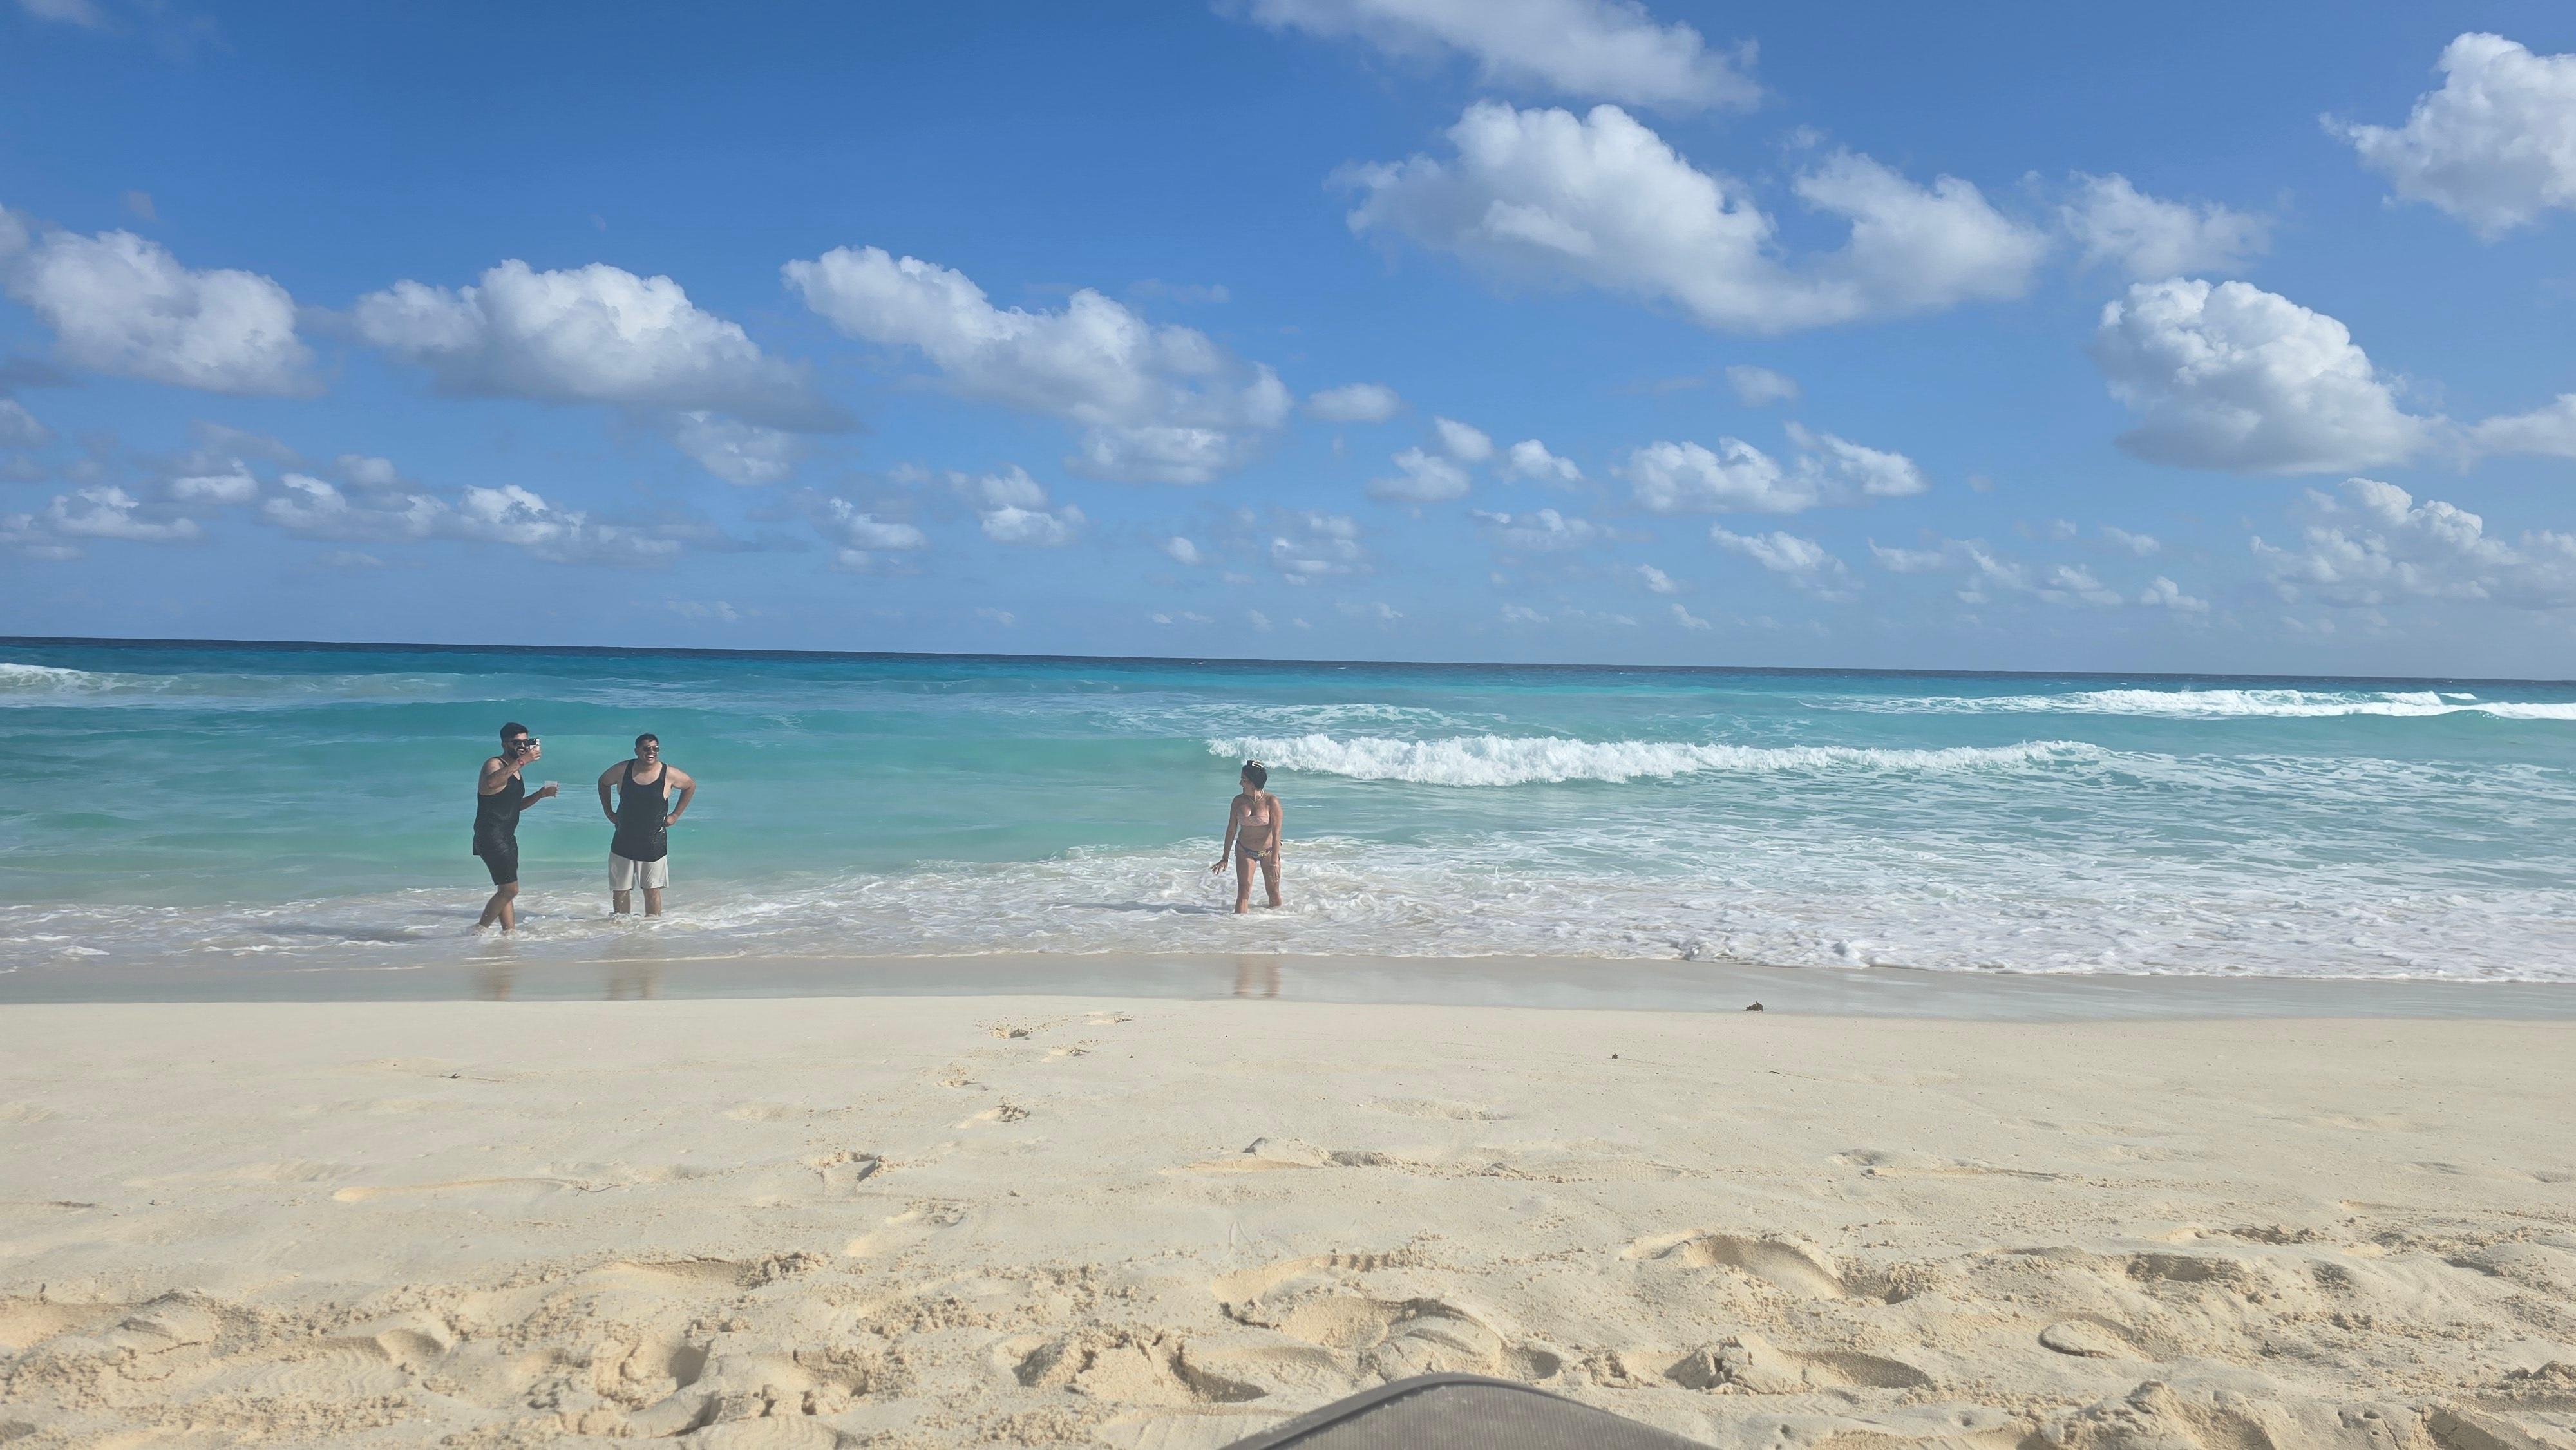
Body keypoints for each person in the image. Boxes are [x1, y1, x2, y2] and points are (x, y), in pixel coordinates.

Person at [598, 732, 694, 916]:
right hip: (623, 840)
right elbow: (603, 782)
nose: (651, 752)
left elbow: (690, 785)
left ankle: (651, 932)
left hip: (653, 842)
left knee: (652, 890)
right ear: (637, 751)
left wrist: (675, 815)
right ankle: (622, 930)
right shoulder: (623, 770)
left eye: (655, 748)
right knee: (621, 890)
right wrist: (608, 812)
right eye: (646, 749)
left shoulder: (669, 774)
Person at [473, 722, 557, 931]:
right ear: (504, 743)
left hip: (507, 836)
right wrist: (522, 761)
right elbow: (491, 783)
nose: (522, 746)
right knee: (511, 890)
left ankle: (509, 934)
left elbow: (514, 807)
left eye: (525, 742)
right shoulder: (495, 764)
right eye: (516, 742)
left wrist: (540, 795)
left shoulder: (516, 771)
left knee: (505, 888)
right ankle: (478, 930)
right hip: (491, 835)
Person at [1209, 759, 1283, 914]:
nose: (1240, 783)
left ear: (1253, 782)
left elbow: (1277, 834)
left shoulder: (1271, 802)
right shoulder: (1238, 801)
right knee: (1244, 891)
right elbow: (1231, 830)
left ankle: (1278, 929)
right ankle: (1238, 931)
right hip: (1245, 850)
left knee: (1273, 891)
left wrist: (1275, 862)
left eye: (1244, 780)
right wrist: (1225, 857)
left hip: (1268, 853)